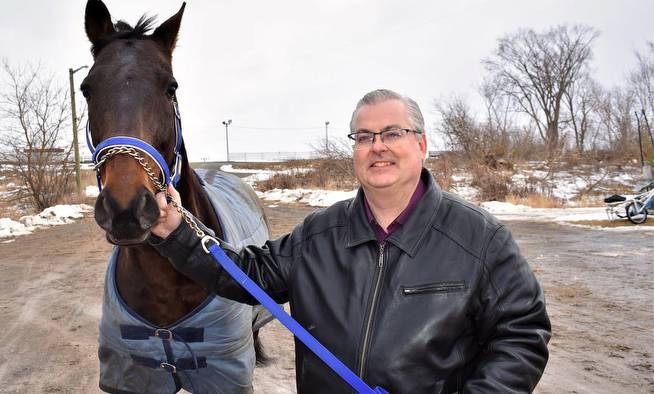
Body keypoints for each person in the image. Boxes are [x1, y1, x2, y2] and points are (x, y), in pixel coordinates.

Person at [147, 89, 551, 393]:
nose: (377, 146)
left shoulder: (479, 238)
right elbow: (248, 275)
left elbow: (522, 334)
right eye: (363, 136)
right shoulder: (319, 234)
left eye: (393, 133)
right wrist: (176, 233)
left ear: (422, 145)